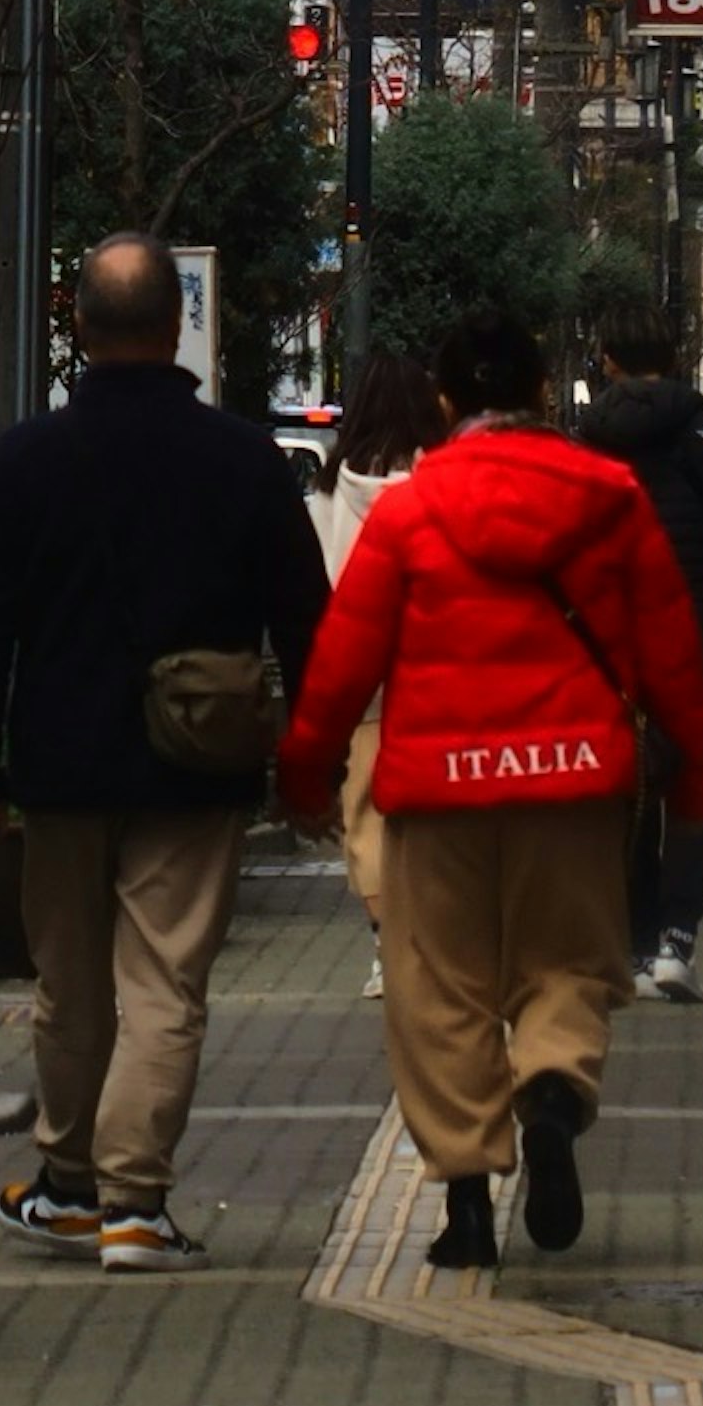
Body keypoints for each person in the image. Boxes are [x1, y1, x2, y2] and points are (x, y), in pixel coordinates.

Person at [277, 308, 703, 1273]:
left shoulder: (406, 511)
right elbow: (672, 654)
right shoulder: (610, 497)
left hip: (436, 787)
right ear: (537, 393)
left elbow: (343, 659)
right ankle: (555, 1097)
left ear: (447, 404)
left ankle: (470, 1207)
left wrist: (305, 769)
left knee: (439, 988)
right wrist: (699, 773)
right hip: (574, 784)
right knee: (568, 960)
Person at [0, 230, 329, 1272]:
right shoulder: (245, 458)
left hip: (60, 759)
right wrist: (314, 764)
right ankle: (132, 1202)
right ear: (176, 327)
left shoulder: (23, 458)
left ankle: (68, 1181)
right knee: (165, 981)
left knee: (68, 982)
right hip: (196, 761)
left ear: (76, 324)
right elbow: (307, 619)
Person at [580, 312, 703, 1003]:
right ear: (675, 355)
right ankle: (677, 941)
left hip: (614, 648)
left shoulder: (588, 444)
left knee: (627, 790)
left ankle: (635, 942)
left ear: (606, 361)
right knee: (697, 785)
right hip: (701, 643)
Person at [320, 354, 448, 995]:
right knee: (433, 813)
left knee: (366, 814)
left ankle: (383, 947)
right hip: (434, 671)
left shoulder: (328, 490)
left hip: (361, 677)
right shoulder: (443, 482)